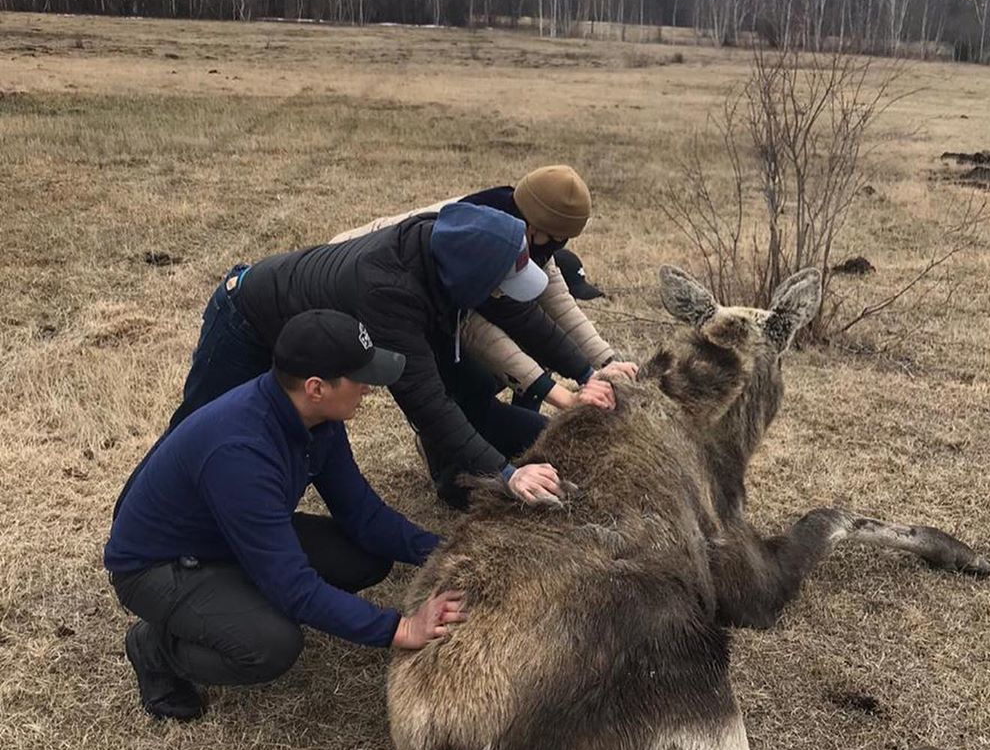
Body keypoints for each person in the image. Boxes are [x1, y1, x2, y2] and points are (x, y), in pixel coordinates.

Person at [105, 310, 464, 721]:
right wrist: (401, 629)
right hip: (158, 565)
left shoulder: (317, 420)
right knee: (271, 645)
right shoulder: (240, 452)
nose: (368, 387)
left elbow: (362, 513)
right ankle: (155, 649)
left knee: (364, 556)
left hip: (227, 536)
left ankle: (233, 598)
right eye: (359, 377)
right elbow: (294, 587)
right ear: (316, 387)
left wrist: (444, 552)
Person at [164, 202, 591, 508]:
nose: (501, 295)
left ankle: (243, 514)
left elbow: (520, 316)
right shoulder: (390, 293)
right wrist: (508, 475)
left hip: (315, 333)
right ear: (469, 280)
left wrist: (589, 371)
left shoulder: (447, 250)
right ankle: (163, 525)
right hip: (249, 319)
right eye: (498, 284)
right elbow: (426, 403)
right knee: (201, 425)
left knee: (302, 439)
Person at [330, 165, 636, 414]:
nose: (559, 245)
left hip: (395, 283)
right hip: (354, 280)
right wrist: (565, 392)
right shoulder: (477, 243)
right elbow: (477, 329)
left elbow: (555, 297)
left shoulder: (521, 225)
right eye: (557, 237)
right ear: (537, 230)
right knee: (447, 385)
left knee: (482, 378)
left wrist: (604, 362)